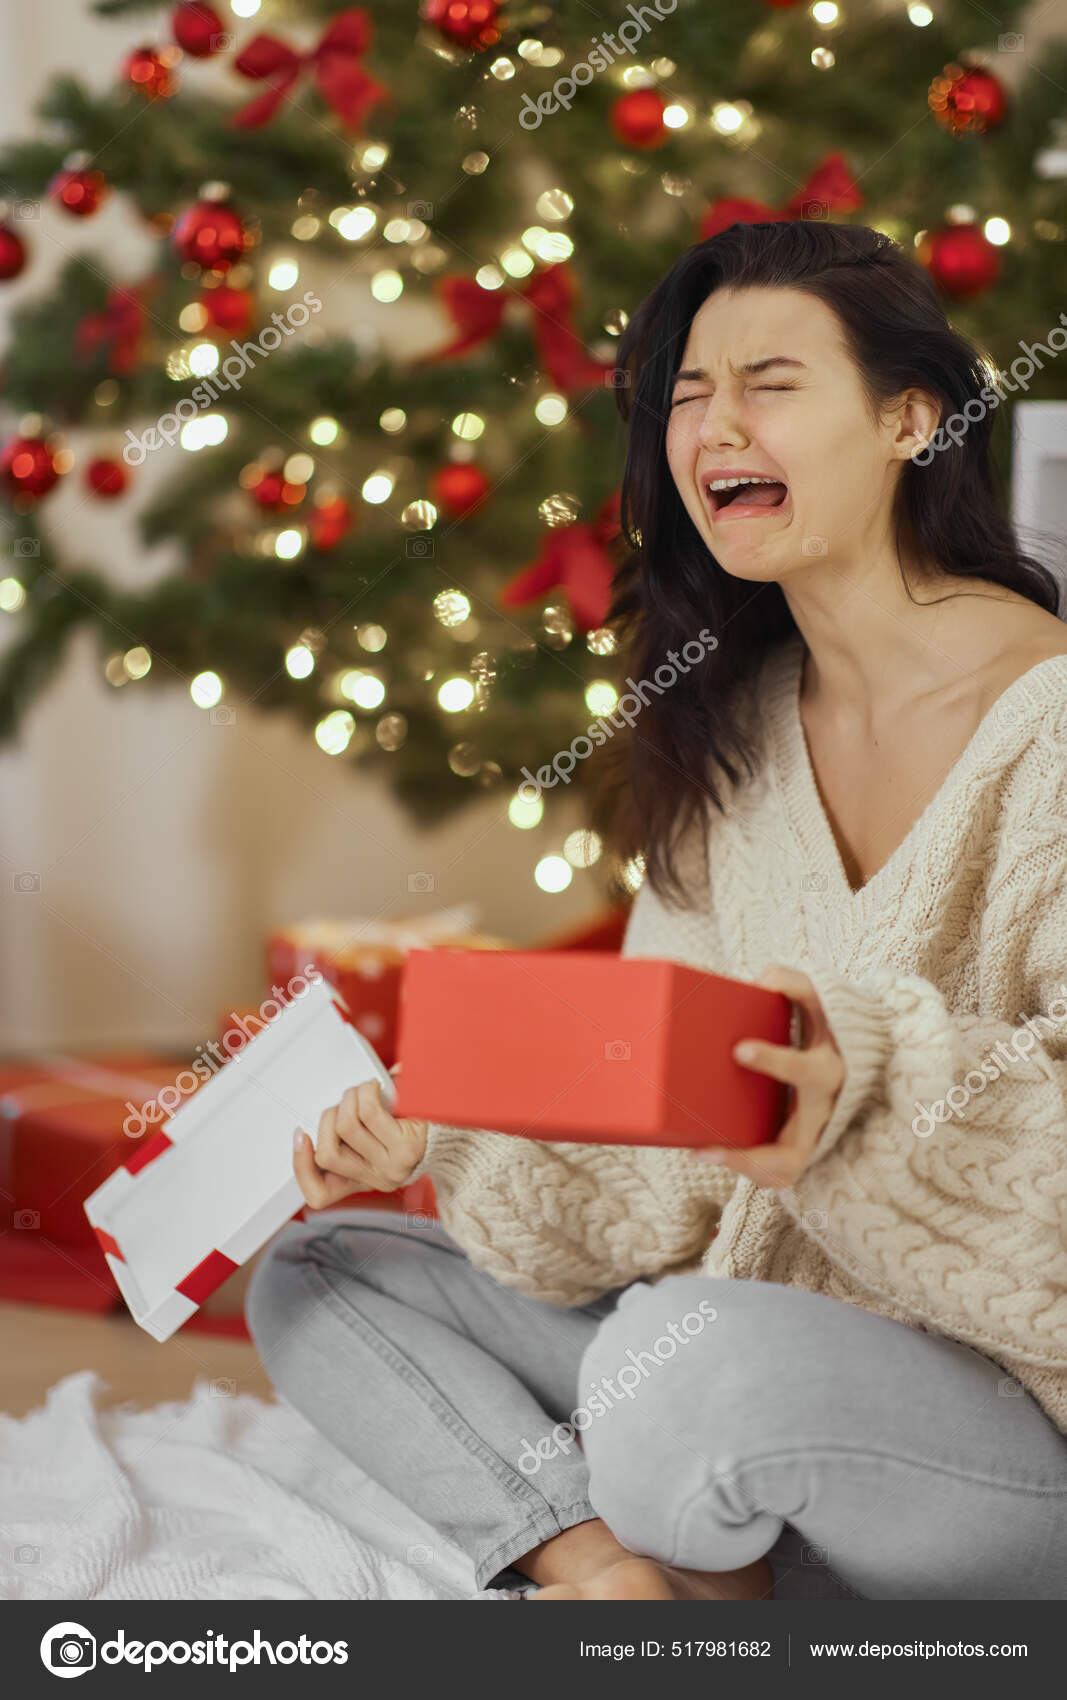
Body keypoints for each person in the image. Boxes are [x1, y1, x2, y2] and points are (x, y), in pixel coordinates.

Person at [246, 222, 1067, 1603]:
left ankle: (697, 1520)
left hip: (1001, 1419)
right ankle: (607, 1569)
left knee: (682, 1369)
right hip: (740, 1338)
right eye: (687, 395)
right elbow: (652, 1152)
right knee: (324, 1273)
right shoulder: (728, 734)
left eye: (771, 381)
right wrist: (451, 1131)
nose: (714, 426)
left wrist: (854, 1095)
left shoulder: (1050, 723)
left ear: (910, 417)